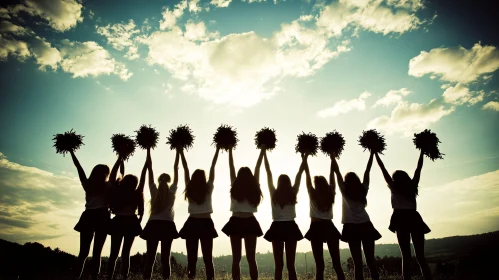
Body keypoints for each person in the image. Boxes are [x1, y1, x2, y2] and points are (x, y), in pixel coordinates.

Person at [375, 151, 432, 280]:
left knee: (406, 255)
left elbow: (383, 169)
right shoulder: (412, 186)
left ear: (395, 179)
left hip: (400, 219)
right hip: (414, 218)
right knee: (420, 256)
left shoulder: (394, 187)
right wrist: (422, 153)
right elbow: (418, 168)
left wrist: (375, 154)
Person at [70, 151, 121, 280]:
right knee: (96, 252)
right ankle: (93, 277)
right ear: (105, 174)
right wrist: (120, 155)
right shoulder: (107, 185)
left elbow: (79, 168)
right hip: (101, 217)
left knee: (84, 253)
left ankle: (77, 277)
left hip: (89, 216)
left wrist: (71, 151)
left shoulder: (88, 185)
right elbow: (115, 171)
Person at [332, 153, 381, 280]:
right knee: (371, 262)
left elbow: (337, 172)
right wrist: (371, 154)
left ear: (346, 181)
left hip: (351, 227)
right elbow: (367, 170)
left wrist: (332, 156)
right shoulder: (363, 189)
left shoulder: (344, 189)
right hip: (366, 225)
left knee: (357, 263)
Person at [262, 149, 306, 280]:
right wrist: (305, 157)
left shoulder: (273, 193)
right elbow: (299, 174)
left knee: (278, 265)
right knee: (291, 265)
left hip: (277, 227)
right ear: (289, 182)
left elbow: (268, 173)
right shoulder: (293, 193)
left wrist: (264, 154)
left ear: (278, 183)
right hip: (291, 227)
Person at [221, 148, 265, 280]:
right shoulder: (254, 185)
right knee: (251, 258)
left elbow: (231, 166)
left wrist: (229, 150)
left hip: (235, 222)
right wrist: (262, 151)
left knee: (236, 258)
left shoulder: (235, 184)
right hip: (250, 222)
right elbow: (258, 167)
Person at [178, 147, 220, 280]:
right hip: (206, 223)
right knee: (208, 257)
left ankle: (191, 278)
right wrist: (217, 150)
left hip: (192, 223)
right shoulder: (208, 187)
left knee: (192, 257)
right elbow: (213, 166)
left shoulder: (189, 187)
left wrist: (181, 152)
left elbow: (185, 169)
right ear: (204, 177)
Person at [303, 156, 345, 280]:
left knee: (319, 265)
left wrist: (305, 160)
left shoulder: (312, 193)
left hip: (315, 227)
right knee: (337, 263)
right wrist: (332, 157)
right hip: (329, 227)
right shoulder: (330, 192)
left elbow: (307, 176)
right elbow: (332, 175)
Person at [141, 149, 180, 280]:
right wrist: (178, 152)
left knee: (150, 258)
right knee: (165, 258)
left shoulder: (153, 191)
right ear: (169, 181)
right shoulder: (172, 192)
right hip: (167, 226)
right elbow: (176, 169)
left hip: (153, 225)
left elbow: (150, 169)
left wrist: (148, 150)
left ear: (158, 180)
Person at [106, 154, 147, 280]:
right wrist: (146, 162)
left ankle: (109, 277)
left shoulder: (118, 191)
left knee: (114, 254)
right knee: (126, 253)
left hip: (118, 222)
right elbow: (143, 176)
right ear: (135, 183)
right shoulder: (137, 193)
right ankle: (124, 277)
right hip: (131, 222)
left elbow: (114, 176)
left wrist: (120, 158)